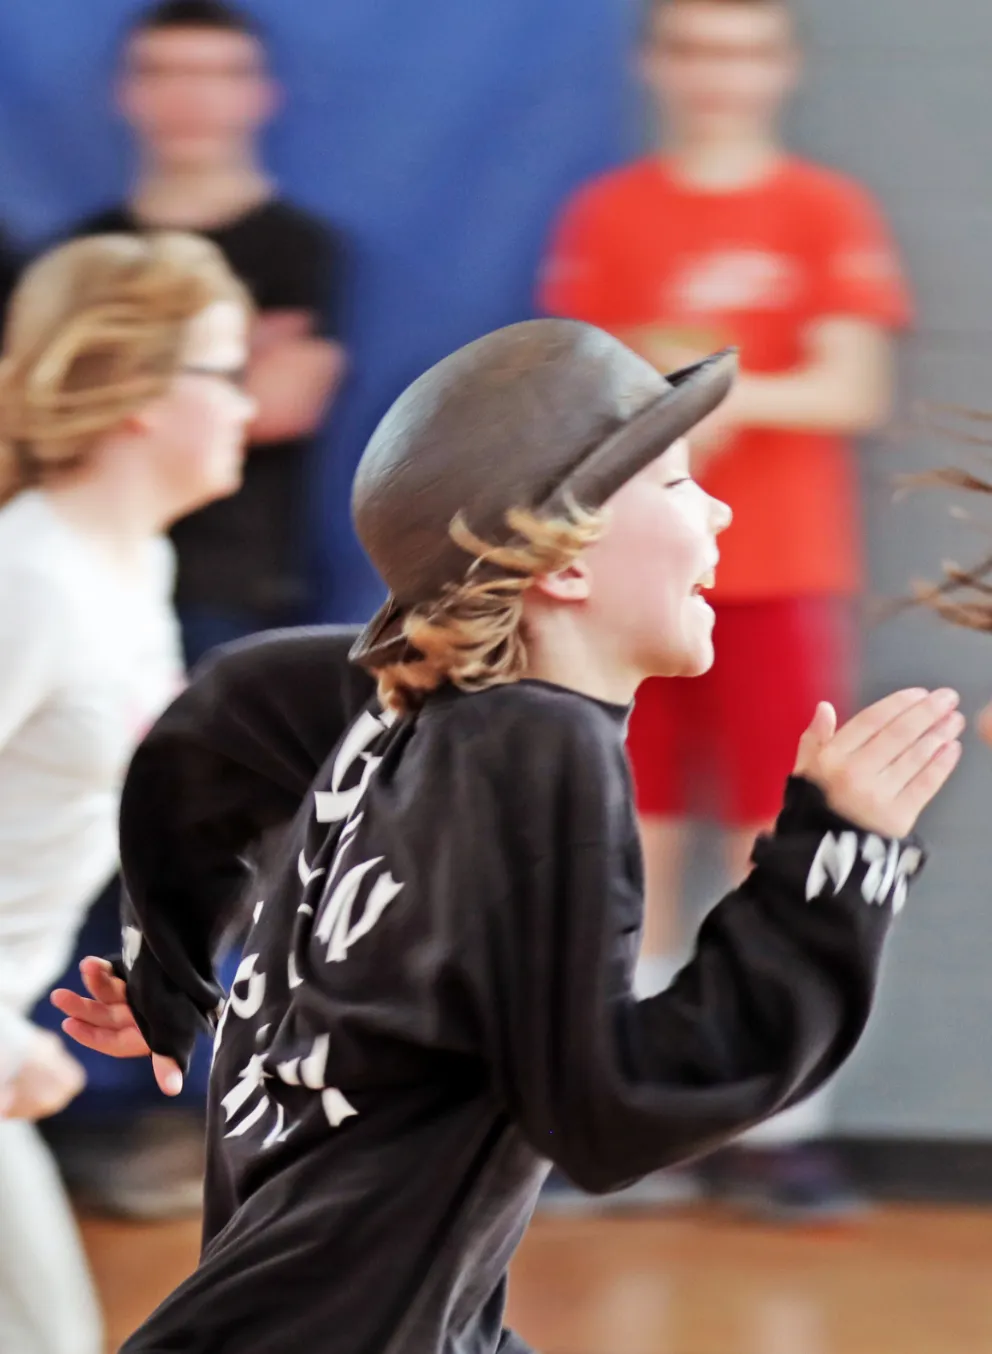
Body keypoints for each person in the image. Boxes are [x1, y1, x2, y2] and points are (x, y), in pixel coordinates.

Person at [53, 319, 959, 1354]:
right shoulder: (542, 743)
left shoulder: (396, 704)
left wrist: (165, 973)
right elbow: (617, 1105)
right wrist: (835, 860)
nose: (716, 508)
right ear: (562, 561)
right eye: (672, 487)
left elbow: (217, 714)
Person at [540, 0, 912, 1217]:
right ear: (656, 64)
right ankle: (622, 1114)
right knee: (626, 843)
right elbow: (586, 384)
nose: (718, 73)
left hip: (782, 570)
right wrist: (680, 383)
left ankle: (778, 1128)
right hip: (634, 579)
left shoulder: (822, 209)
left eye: (743, 48)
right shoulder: (608, 210)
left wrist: (717, 382)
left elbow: (850, 383)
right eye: (693, 47)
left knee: (783, 838)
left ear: (782, 66)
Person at [0, 232, 253, 1354]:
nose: (250, 404)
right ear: (142, 391)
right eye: (226, 372)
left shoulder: (134, 567)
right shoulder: (32, 577)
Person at [73, 0, 345, 667]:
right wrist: (227, 366)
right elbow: (42, 411)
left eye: (217, 73)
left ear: (261, 95)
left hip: (232, 587)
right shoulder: (77, 255)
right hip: (88, 567)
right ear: (125, 92)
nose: (190, 96)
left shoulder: (297, 251)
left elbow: (282, 403)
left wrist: (109, 375)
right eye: (164, 71)